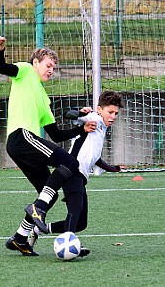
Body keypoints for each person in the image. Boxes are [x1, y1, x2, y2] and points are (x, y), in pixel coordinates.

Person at [0, 35, 96, 256]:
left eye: (54, 68)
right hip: (21, 137)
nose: (51, 70)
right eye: (48, 65)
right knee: (69, 162)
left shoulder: (43, 98)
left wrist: (81, 129)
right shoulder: (25, 71)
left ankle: (20, 238)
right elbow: (2, 68)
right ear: (35, 63)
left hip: (23, 147)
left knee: (49, 192)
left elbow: (56, 135)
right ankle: (38, 209)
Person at [28, 90, 124, 253]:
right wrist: (80, 112)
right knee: (75, 210)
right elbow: (68, 114)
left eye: (115, 113)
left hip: (80, 176)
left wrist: (113, 168)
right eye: (110, 112)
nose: (113, 116)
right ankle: (68, 246)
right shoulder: (93, 118)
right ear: (100, 110)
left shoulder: (102, 129)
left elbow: (95, 159)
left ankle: (37, 230)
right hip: (72, 171)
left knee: (81, 223)